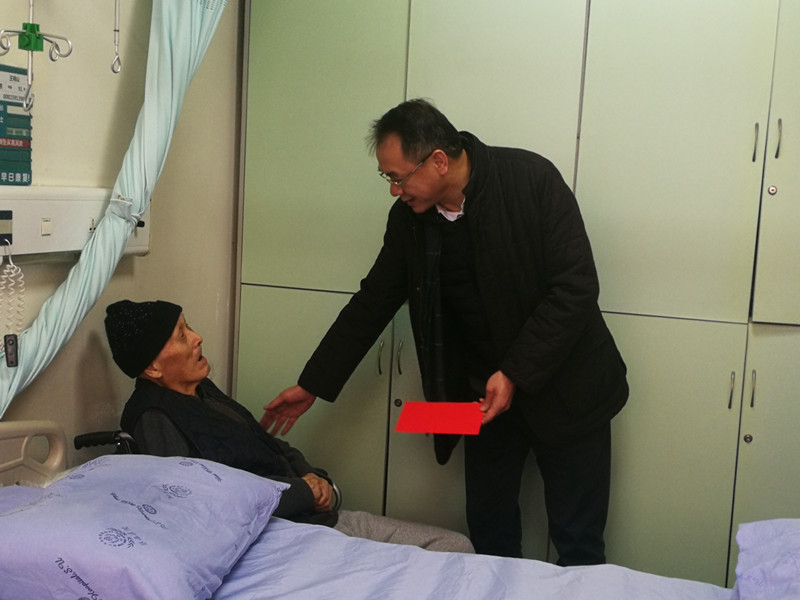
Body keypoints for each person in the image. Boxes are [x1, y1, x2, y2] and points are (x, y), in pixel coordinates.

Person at [263, 98, 629, 565]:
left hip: (571, 388)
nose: (394, 190)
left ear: (438, 160)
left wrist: (514, 373)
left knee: (578, 541)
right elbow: (373, 301)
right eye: (387, 178)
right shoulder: (410, 220)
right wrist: (313, 383)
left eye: (399, 177)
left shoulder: (531, 179)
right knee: (489, 531)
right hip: (483, 400)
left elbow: (575, 287)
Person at [103, 299, 474, 554]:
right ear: (152, 367)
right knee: (451, 550)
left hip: (312, 513)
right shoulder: (154, 417)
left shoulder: (200, 389)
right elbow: (208, 504)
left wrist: (316, 479)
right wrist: (304, 492)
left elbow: (268, 445)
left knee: (455, 545)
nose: (198, 337)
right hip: (286, 532)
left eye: (189, 327)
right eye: (183, 335)